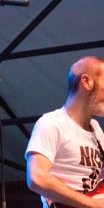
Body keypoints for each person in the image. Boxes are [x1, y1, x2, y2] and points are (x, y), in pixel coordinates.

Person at [25, 56, 104, 208]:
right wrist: (91, 203)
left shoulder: (96, 129)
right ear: (86, 81)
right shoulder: (51, 123)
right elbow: (37, 177)